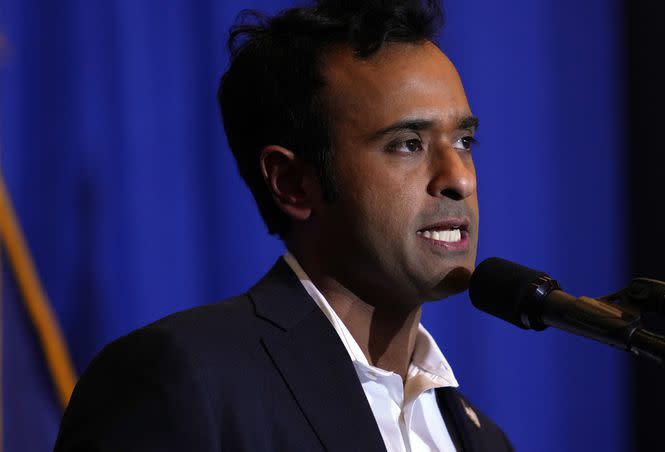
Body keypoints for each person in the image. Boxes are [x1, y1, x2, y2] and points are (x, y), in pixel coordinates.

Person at [54, 1, 513, 450]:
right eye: (408, 143)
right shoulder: (180, 383)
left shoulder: (482, 439)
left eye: (464, 140)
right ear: (293, 183)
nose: (460, 177)